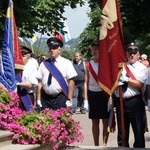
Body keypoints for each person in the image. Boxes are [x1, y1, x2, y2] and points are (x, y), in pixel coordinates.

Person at [115, 42, 148, 148]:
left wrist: (127, 79)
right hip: (121, 102)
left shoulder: (142, 68)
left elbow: (139, 84)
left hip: (135, 102)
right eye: (130, 52)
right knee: (122, 133)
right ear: (126, 54)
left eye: (134, 52)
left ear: (138, 54)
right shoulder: (121, 67)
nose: (132, 55)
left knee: (138, 131)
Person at [36, 32, 77, 110]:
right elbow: (40, 83)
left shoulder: (66, 63)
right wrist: (38, 99)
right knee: (45, 121)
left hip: (60, 98)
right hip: (45, 99)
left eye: (54, 48)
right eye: (50, 48)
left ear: (59, 50)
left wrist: (69, 99)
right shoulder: (44, 64)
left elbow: (71, 82)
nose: (52, 50)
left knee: (60, 121)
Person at [85, 40, 110, 146]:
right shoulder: (88, 64)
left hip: (104, 94)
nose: (94, 51)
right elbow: (86, 82)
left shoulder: (107, 63)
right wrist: (85, 99)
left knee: (105, 121)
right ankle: (96, 145)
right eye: (93, 49)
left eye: (96, 49)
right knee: (95, 121)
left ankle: (104, 144)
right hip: (93, 94)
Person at [16, 46, 38, 110]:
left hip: (26, 96)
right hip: (16, 95)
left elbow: (31, 85)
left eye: (23, 56)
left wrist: (18, 84)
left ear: (28, 58)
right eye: (19, 55)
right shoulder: (15, 67)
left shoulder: (31, 68)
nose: (21, 58)